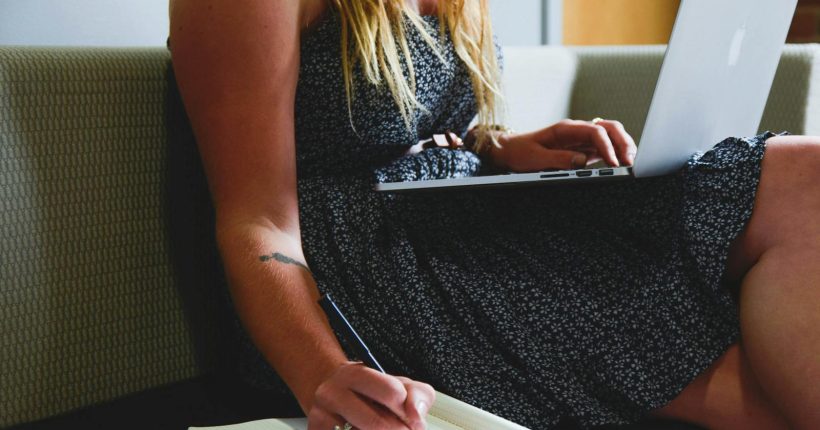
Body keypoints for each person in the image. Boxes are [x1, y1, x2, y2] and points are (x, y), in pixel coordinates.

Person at [168, 0, 820, 429]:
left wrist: (501, 149)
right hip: (363, 270)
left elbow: (404, 123)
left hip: (454, 214)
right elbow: (257, 221)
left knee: (804, 178)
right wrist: (324, 376)